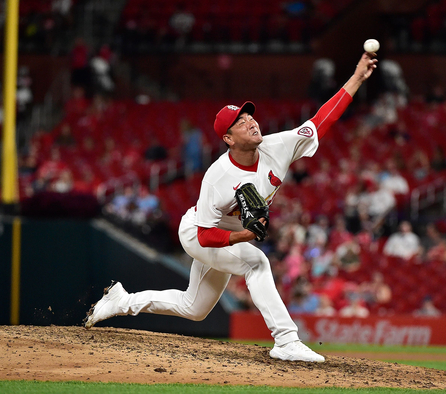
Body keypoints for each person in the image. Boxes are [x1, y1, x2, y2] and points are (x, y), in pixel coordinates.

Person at [84, 53, 378, 363]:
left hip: (228, 236)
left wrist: (358, 76)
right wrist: (244, 237)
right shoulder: (218, 177)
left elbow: (322, 120)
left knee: (193, 308)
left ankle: (122, 301)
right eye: (240, 121)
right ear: (228, 138)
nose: (250, 121)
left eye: (248, 115)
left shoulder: (278, 146)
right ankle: (286, 340)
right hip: (200, 233)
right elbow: (205, 236)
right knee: (257, 263)